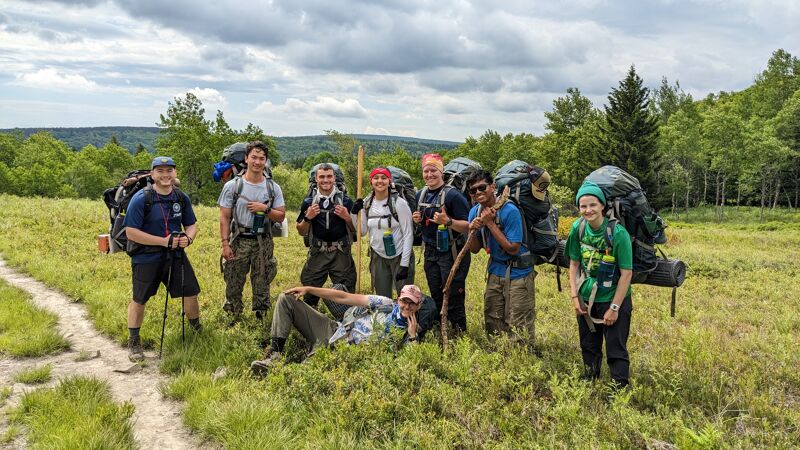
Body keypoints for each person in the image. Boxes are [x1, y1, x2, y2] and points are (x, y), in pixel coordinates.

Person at [250, 284, 435, 373]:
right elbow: (344, 297)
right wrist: (308, 289)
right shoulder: (384, 304)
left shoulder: (411, 330)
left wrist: (412, 337)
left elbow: (410, 365)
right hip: (335, 331)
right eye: (404, 301)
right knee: (286, 299)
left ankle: (282, 372)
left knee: (304, 374)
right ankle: (274, 356)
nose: (407, 307)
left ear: (418, 306)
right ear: (398, 299)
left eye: (412, 303)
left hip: (347, 355)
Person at [124, 156, 201, 362]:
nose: (165, 175)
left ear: (175, 173)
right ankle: (134, 341)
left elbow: (191, 225)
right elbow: (130, 232)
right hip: (145, 257)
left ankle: (196, 331)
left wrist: (188, 238)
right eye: (160, 171)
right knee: (140, 299)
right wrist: (163, 241)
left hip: (175, 255)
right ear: (152, 174)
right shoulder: (141, 198)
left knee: (190, 292)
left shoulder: (180, 197)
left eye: (169, 170)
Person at [565, 181, 634, 389]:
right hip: (586, 297)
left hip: (614, 297)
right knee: (588, 344)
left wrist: (614, 308)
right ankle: (590, 378)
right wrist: (575, 297)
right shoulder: (578, 228)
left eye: (593, 205)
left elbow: (626, 273)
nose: (588, 210)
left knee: (616, 347)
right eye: (583, 206)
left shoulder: (618, 233)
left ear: (602, 206)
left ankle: (618, 388)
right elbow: (574, 264)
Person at [218, 141, 286, 322]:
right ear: (246, 159)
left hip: (263, 240)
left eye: (261, 158)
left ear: (266, 161)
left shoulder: (273, 187)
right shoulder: (233, 186)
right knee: (233, 279)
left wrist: (265, 209)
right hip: (239, 239)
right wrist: (225, 244)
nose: (257, 162)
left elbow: (280, 216)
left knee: (262, 278)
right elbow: (224, 217)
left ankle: (261, 316)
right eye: (254, 157)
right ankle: (233, 315)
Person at [466, 169, 536, 344]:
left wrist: (489, 223)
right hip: (495, 272)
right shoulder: (474, 212)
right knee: (492, 320)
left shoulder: (509, 210)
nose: (478, 193)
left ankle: (523, 362)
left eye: (482, 187)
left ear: (493, 187)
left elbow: (513, 248)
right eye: (473, 190)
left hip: (519, 273)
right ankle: (497, 358)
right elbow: (474, 249)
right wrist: (472, 230)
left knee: (519, 324)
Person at [412, 153, 471, 333]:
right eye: (426, 171)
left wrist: (448, 221)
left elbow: (468, 226)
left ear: (442, 172)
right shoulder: (420, 195)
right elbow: (423, 223)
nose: (429, 175)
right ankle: (441, 329)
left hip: (451, 252)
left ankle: (460, 332)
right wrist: (417, 219)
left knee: (453, 294)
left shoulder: (453, 196)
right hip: (430, 252)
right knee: (436, 293)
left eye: (433, 170)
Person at [296, 164, 357, 308]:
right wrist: (308, 217)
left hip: (341, 252)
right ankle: (311, 322)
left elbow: (356, 231)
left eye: (329, 176)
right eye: (322, 177)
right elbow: (300, 231)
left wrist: (347, 217)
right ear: (316, 179)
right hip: (318, 252)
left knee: (346, 292)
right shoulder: (309, 202)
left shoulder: (346, 201)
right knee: (310, 292)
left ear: (334, 178)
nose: (325, 180)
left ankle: (345, 324)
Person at [351, 166, 414, 298]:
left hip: (399, 254)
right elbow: (361, 232)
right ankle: (385, 319)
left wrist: (404, 264)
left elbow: (408, 234)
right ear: (371, 181)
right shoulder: (366, 203)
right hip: (378, 255)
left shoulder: (399, 203)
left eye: (384, 178)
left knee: (406, 298)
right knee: (382, 299)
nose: (380, 181)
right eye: (376, 178)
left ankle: (407, 319)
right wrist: (354, 213)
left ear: (389, 181)